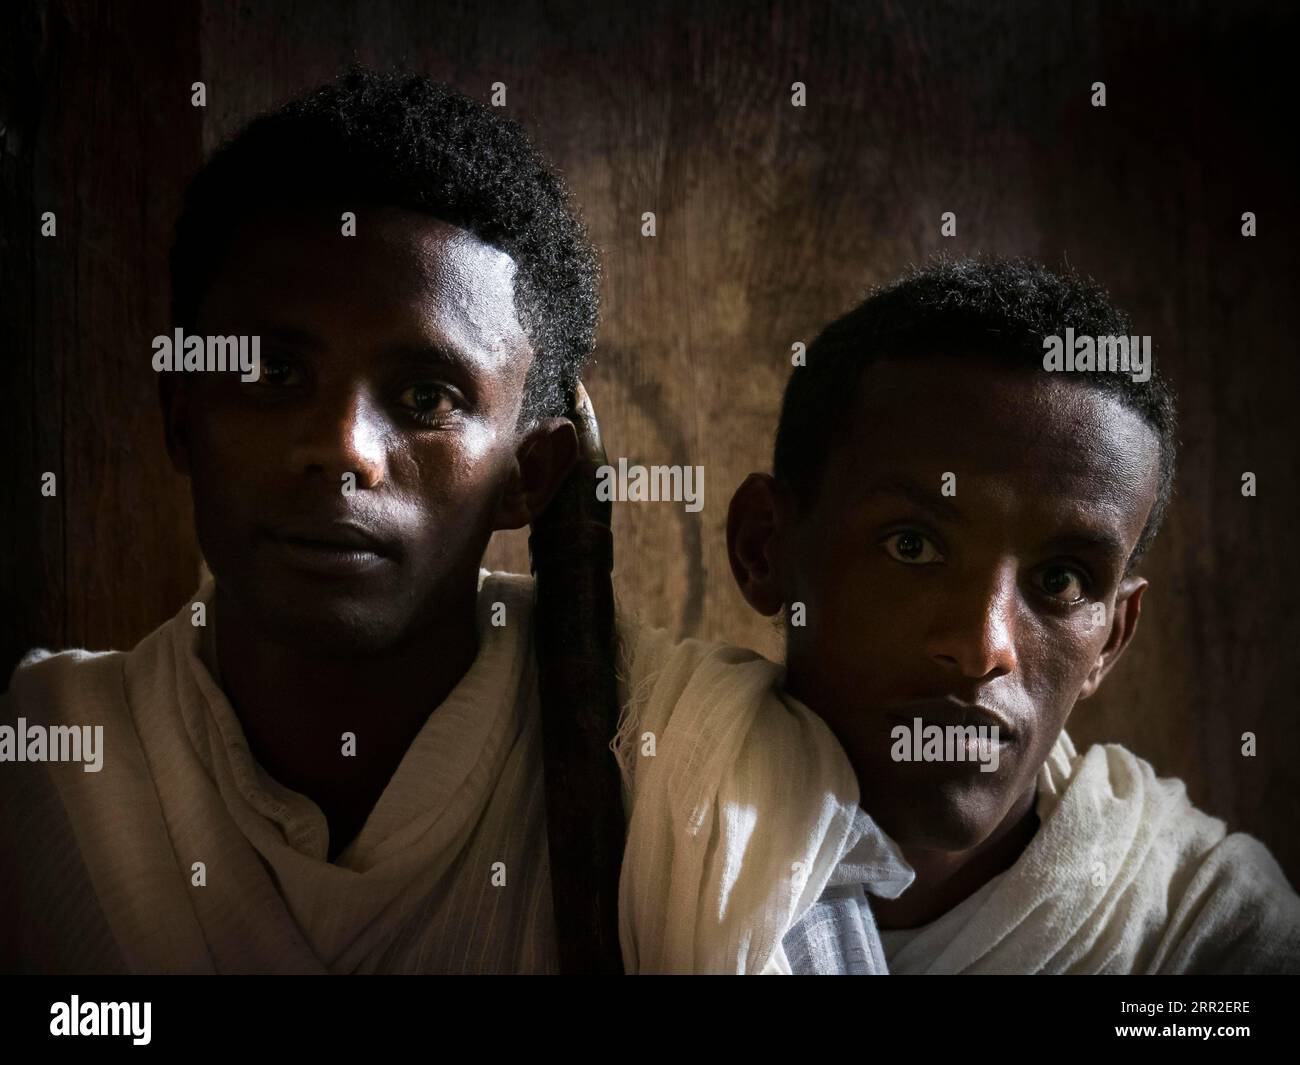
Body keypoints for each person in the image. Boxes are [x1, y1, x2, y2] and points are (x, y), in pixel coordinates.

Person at [0, 69, 874, 975]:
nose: (342, 449)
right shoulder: (52, 768)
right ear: (181, 414)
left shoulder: (705, 786)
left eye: (425, 395)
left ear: (528, 477)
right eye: (273, 375)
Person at [726, 256, 1300, 973]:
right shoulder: (632, 815)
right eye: (913, 545)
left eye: (1061, 578)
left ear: (1112, 641)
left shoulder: (1206, 930)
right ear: (765, 548)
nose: (982, 646)